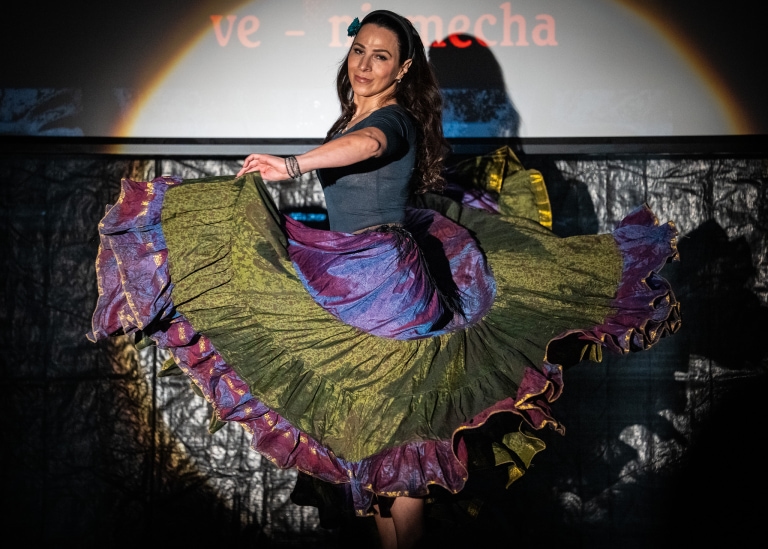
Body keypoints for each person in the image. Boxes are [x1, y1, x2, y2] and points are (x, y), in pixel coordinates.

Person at [88, 9, 681, 549]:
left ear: (402, 69)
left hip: (386, 284)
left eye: (380, 56)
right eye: (358, 51)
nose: (365, 64)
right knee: (374, 447)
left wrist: (292, 164)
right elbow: (355, 143)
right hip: (350, 275)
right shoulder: (351, 117)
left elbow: (370, 144)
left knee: (400, 442)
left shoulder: (392, 120)